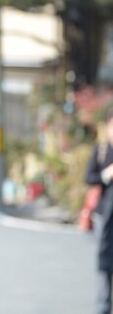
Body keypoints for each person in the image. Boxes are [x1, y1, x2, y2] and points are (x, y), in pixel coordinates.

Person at [85, 109, 113, 314]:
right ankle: (103, 308)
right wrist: (106, 174)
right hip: (105, 215)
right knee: (105, 262)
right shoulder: (102, 149)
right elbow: (89, 177)